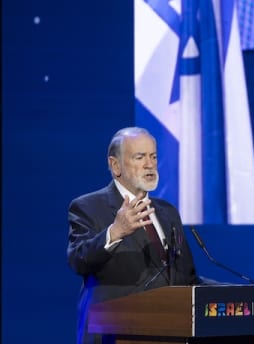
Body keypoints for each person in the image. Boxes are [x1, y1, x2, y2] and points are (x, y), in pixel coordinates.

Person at [67, 127, 201, 344]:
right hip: (113, 334)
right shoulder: (88, 206)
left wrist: (235, 294)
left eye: (153, 156)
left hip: (169, 332)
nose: (150, 164)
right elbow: (78, 260)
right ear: (115, 166)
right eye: (140, 157)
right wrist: (115, 232)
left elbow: (187, 278)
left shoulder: (168, 212)